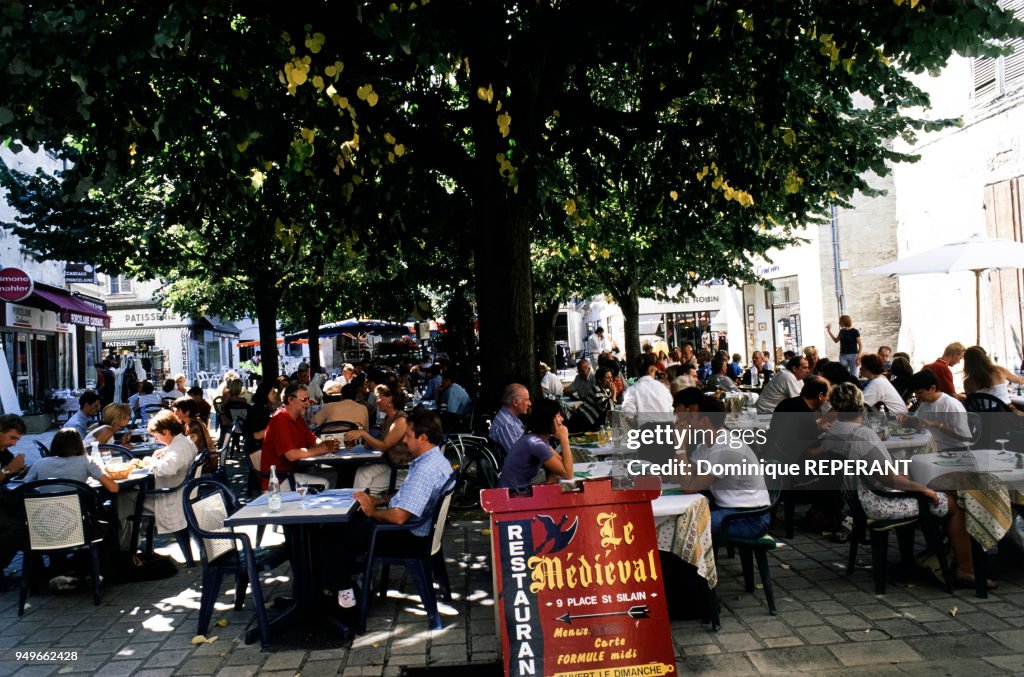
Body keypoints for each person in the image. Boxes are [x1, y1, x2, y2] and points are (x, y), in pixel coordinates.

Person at [823, 383, 979, 585]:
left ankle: (924, 556)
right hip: (879, 501)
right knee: (956, 505)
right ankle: (965, 569)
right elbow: (888, 478)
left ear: (835, 406)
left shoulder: (833, 432)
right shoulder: (862, 433)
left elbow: (880, 473)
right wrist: (923, 489)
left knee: (931, 489)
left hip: (858, 501)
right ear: (860, 404)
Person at [329, 411, 454, 609]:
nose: (404, 440)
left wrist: (373, 512)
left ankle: (345, 592)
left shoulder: (425, 470)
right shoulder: (436, 460)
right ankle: (347, 583)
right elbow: (407, 499)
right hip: (419, 533)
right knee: (345, 528)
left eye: (408, 435)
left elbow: (399, 517)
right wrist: (378, 500)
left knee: (336, 533)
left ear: (423, 438)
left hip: (407, 537)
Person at [676, 395, 770, 539]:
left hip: (750, 518)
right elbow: (679, 477)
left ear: (704, 421)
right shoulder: (707, 445)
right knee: (679, 519)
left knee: (686, 528)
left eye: (690, 417)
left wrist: (680, 447)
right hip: (730, 509)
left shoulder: (725, 449)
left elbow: (689, 487)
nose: (686, 422)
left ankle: (689, 562)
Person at [260, 384, 340, 490]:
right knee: (323, 483)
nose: (308, 403)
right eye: (304, 400)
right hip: (279, 480)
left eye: (308, 399)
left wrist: (326, 444)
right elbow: (291, 455)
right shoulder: (279, 420)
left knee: (333, 475)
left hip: (295, 471)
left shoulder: (298, 419)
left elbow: (313, 440)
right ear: (290, 400)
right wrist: (322, 449)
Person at [346, 384, 411, 494]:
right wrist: (369, 443)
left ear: (390, 398)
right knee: (362, 472)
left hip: (402, 468)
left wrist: (363, 434)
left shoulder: (401, 420)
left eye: (379, 397)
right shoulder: (388, 418)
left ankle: (366, 506)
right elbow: (381, 440)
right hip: (390, 462)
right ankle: (364, 506)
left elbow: (384, 446)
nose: (377, 401)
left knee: (367, 483)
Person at [499, 399, 573, 488]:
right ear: (548, 419)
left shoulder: (535, 438)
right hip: (514, 495)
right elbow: (568, 474)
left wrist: (553, 477)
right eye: (558, 415)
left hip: (516, 491)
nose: (562, 419)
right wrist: (564, 439)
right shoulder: (535, 443)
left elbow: (561, 463)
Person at [24, 428, 119, 493]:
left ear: (54, 444)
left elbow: (24, 487)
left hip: (43, 518)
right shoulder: (86, 461)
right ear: (79, 445)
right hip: (77, 516)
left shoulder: (40, 463)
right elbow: (113, 488)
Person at [898, 370, 972, 450]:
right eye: (915, 393)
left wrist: (937, 425)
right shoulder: (925, 403)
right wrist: (907, 419)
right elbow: (918, 422)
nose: (917, 396)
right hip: (932, 446)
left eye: (920, 392)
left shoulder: (951, 405)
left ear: (933, 388)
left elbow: (965, 436)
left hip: (953, 449)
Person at [0, 416, 28, 577]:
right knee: (18, 527)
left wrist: (25, 468)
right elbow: (8, 469)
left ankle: (36, 572)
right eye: (12, 438)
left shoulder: (2, 451)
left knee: (31, 514)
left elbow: (14, 468)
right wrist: (8, 470)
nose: (14, 443)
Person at [621, 353, 673, 426]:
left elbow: (628, 415)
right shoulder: (663, 388)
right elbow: (671, 411)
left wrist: (639, 429)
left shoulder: (632, 390)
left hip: (646, 433)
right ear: (652, 368)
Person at [566, 368, 615, 433]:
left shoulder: (607, 390)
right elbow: (610, 408)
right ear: (600, 380)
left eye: (611, 377)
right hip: (580, 422)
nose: (611, 380)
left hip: (588, 423)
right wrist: (614, 393)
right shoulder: (596, 390)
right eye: (608, 378)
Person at [490, 383, 531, 454]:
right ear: (515, 402)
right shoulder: (507, 424)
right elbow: (519, 456)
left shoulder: (511, 417)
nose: (530, 403)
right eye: (526, 400)